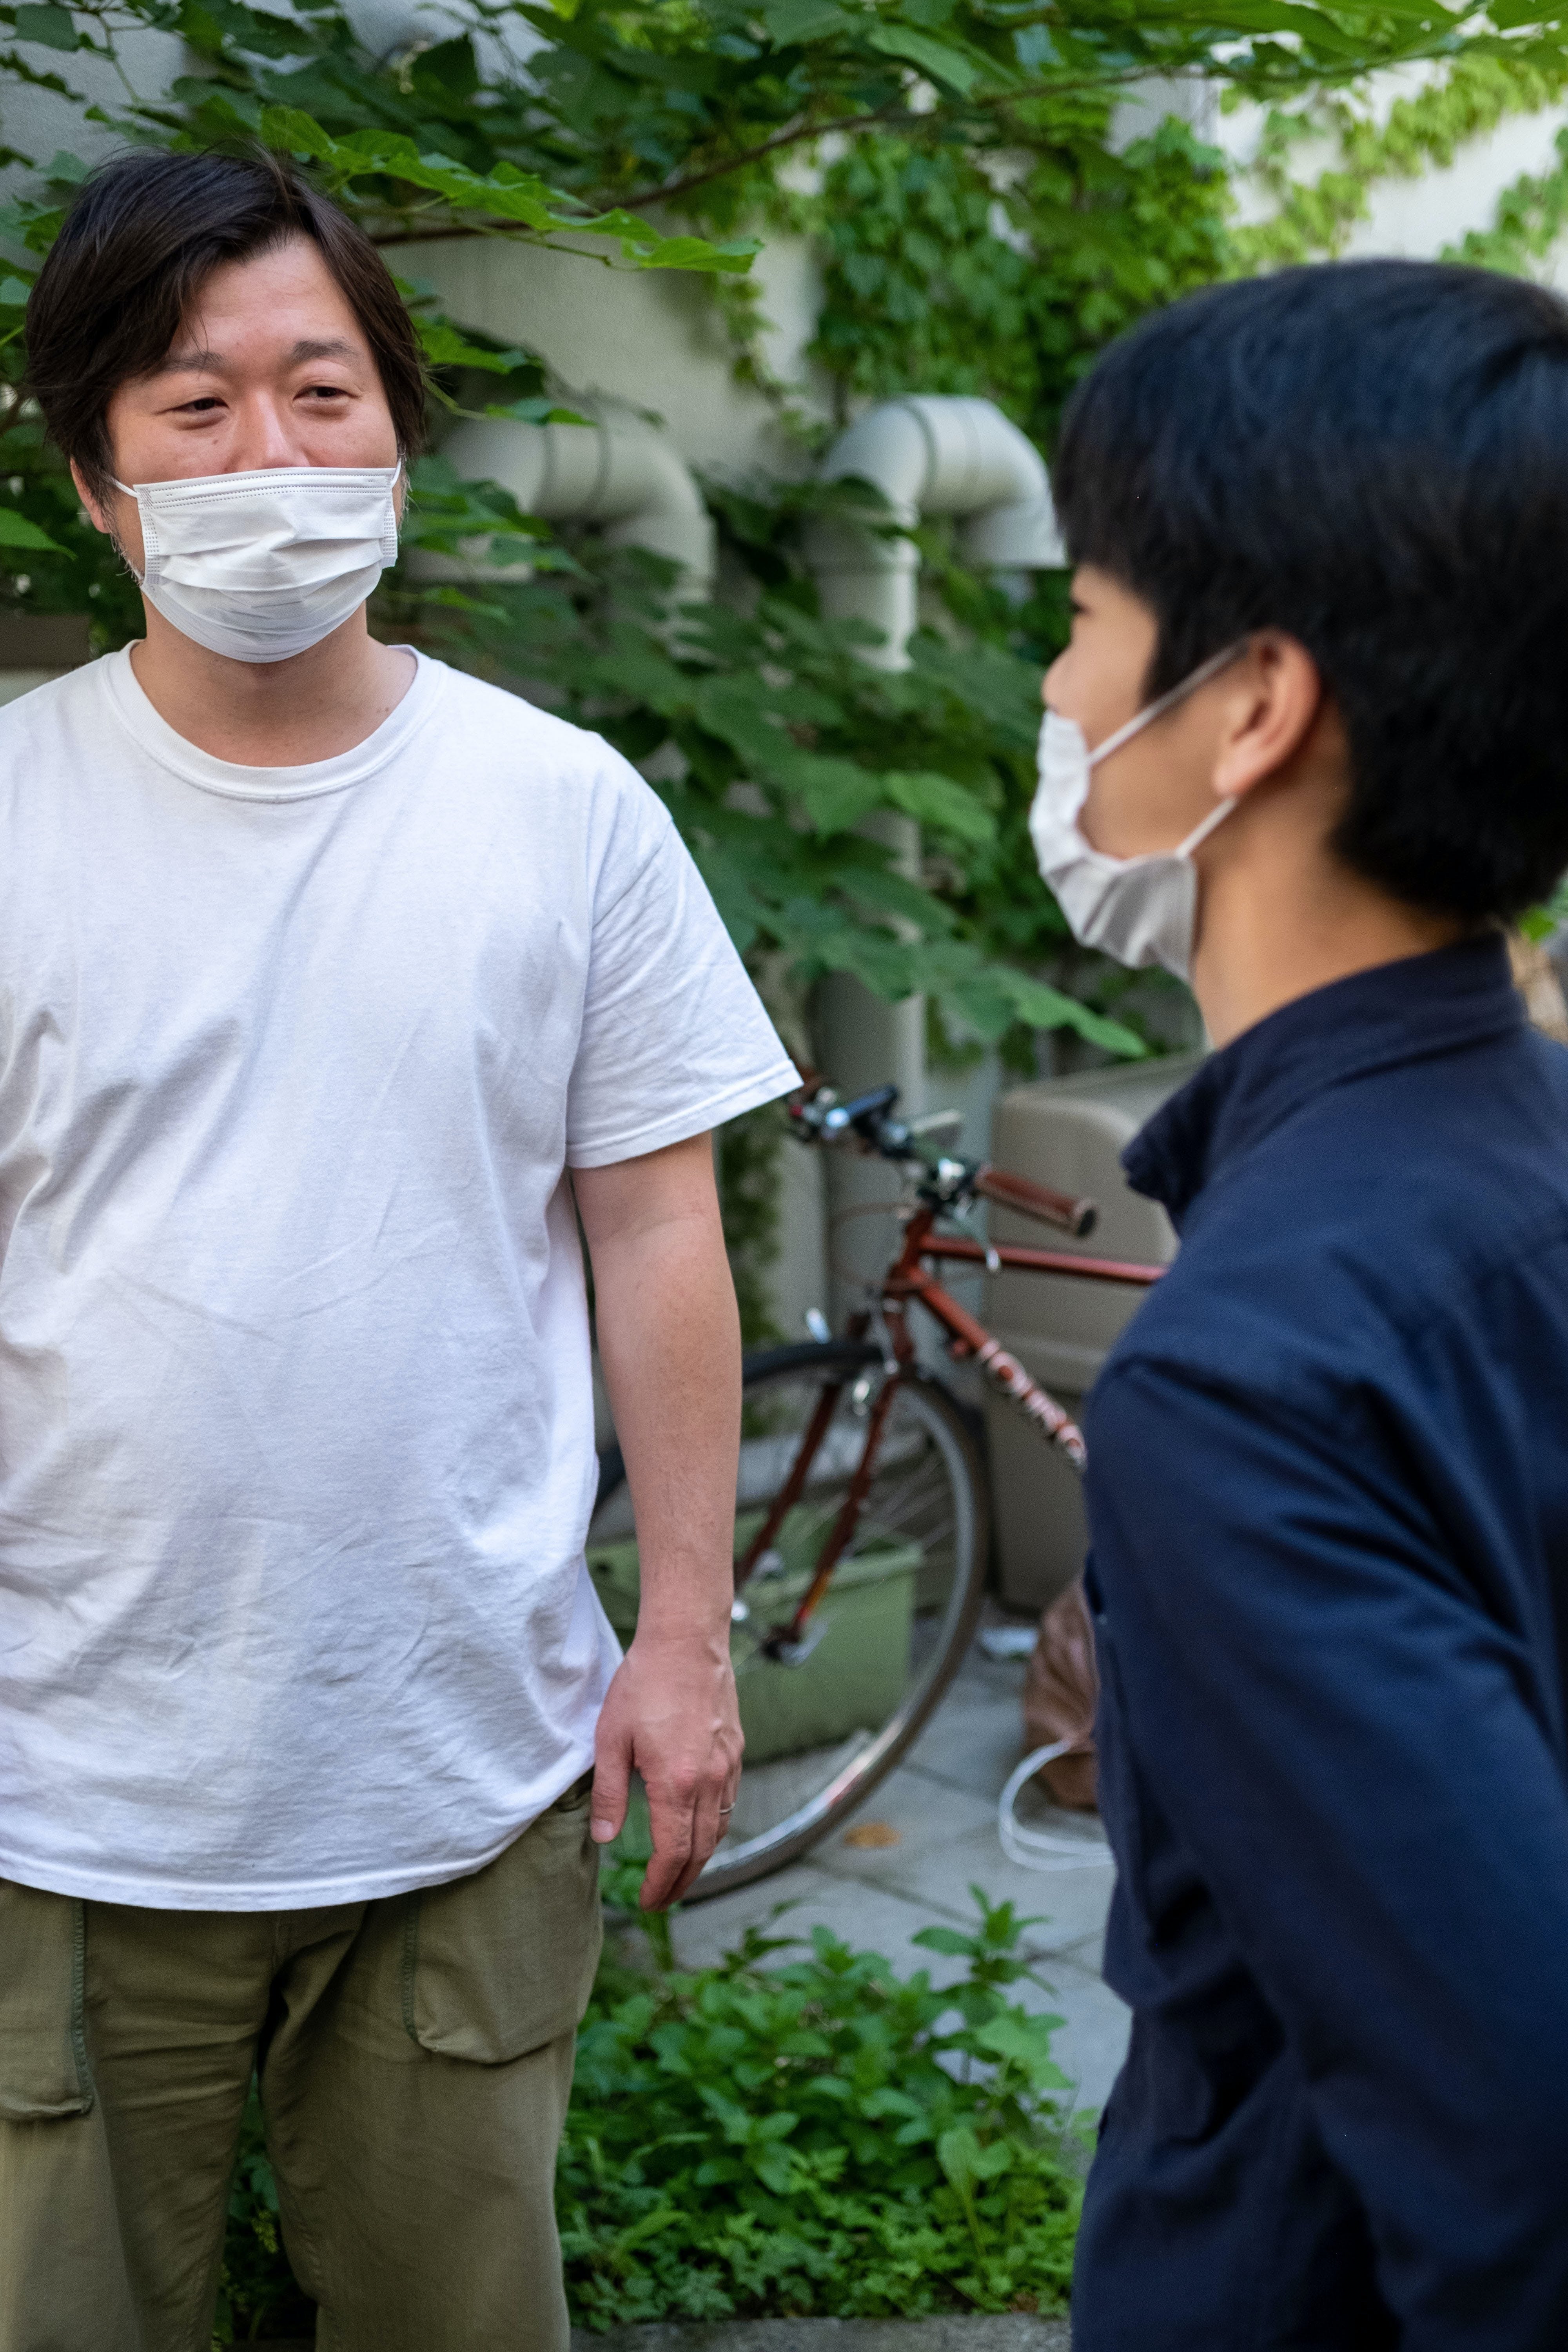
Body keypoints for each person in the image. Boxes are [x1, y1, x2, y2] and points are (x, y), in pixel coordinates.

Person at [0, 147, 798, 2352]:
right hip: (68, 1792)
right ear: (93, 480)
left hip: (463, 1765)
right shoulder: (11, 811)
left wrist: (688, 1637)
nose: (271, 451)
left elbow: (660, 1228)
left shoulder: (564, 810)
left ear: (399, 434)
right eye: (195, 405)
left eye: (322, 390)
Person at [1030, 259, 1568, 2350]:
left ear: (1253, 707)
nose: (1059, 688)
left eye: (1086, 617)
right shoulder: (1523, 1153)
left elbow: (1517, 2160)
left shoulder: (1248, 1382)